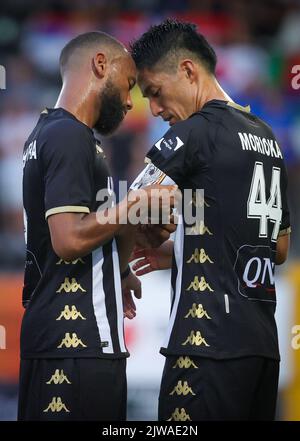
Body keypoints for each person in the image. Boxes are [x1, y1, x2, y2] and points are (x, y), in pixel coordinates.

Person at [129, 19, 291, 421]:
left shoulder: (195, 132)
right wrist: (182, 250)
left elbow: (132, 207)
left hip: (205, 342)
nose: (154, 109)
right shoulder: (268, 136)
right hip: (262, 347)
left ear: (187, 70)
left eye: (155, 92)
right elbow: (279, 248)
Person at [19, 31, 176, 421]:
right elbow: (69, 239)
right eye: (127, 86)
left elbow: (83, 226)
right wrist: (136, 203)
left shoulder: (52, 133)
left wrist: (118, 270)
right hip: (73, 343)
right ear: (100, 65)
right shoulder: (68, 135)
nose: (128, 101)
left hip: (71, 341)